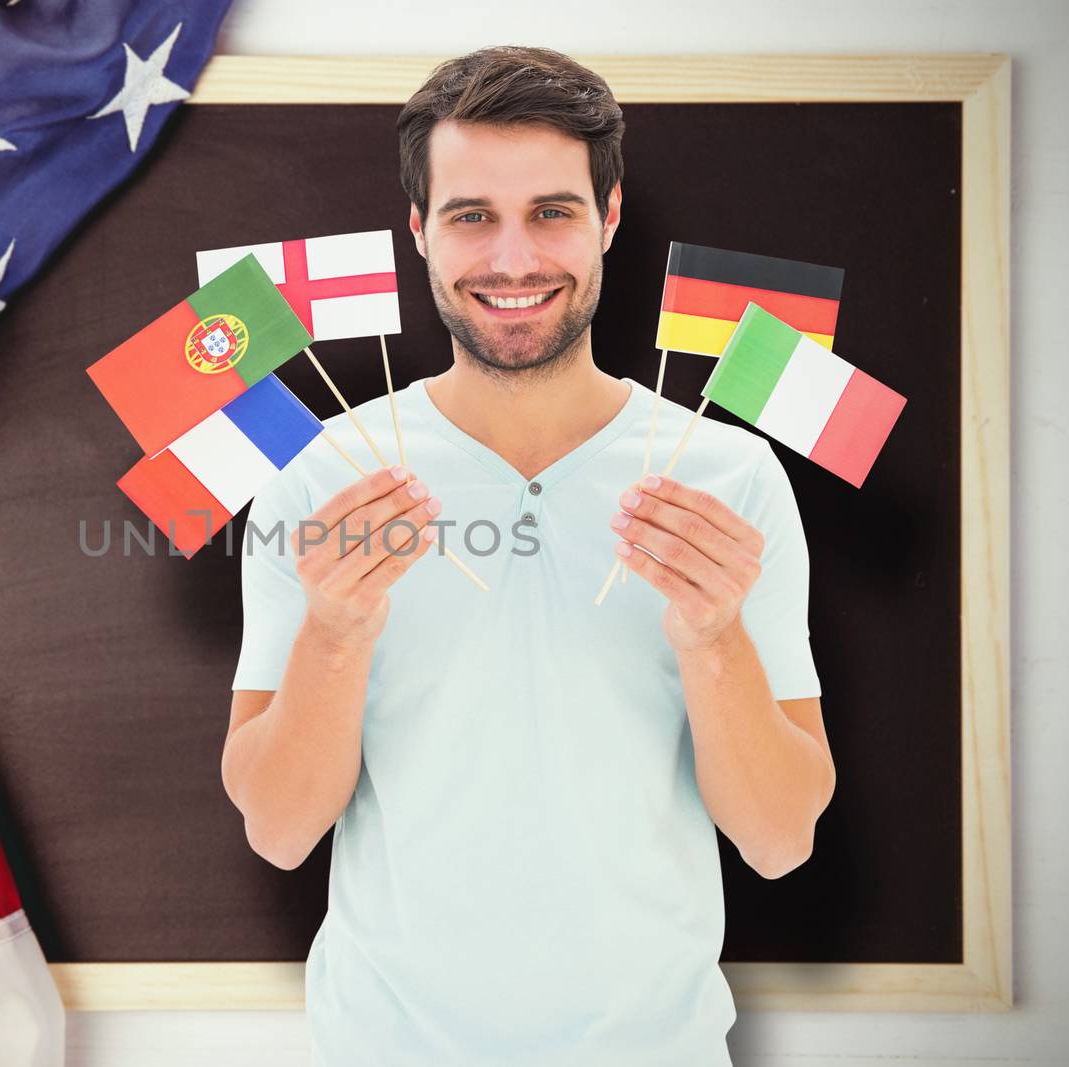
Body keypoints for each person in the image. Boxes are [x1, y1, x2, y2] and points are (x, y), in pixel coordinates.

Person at [220, 45, 836, 1066]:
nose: (513, 259)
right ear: (417, 230)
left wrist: (715, 633)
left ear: (610, 217)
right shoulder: (320, 474)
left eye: (551, 211)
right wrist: (332, 633)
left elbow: (779, 840)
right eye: (471, 215)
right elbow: (279, 831)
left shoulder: (727, 477)